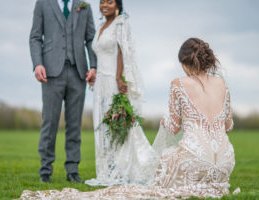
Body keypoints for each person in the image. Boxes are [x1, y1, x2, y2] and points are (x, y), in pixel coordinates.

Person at [20, 38, 237, 199]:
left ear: (184, 62)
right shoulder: (222, 85)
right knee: (180, 157)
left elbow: (173, 126)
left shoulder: (179, 84)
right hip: (225, 162)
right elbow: (228, 125)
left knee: (168, 159)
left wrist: (165, 121)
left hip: (196, 159)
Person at [84, 0, 159, 186]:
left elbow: (122, 52)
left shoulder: (121, 24)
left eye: (109, 2)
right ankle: (107, 171)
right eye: (102, 2)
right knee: (102, 127)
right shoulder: (102, 25)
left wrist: (119, 78)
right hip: (100, 82)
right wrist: (94, 73)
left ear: (117, 5)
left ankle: (122, 171)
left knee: (117, 126)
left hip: (113, 82)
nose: (104, 5)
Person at [29, 0, 97, 183]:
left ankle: (73, 171)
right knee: (49, 123)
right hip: (51, 72)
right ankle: (45, 170)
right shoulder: (42, 4)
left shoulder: (84, 5)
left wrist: (94, 66)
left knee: (74, 125)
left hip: (78, 72)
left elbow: (91, 38)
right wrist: (37, 64)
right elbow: (35, 37)